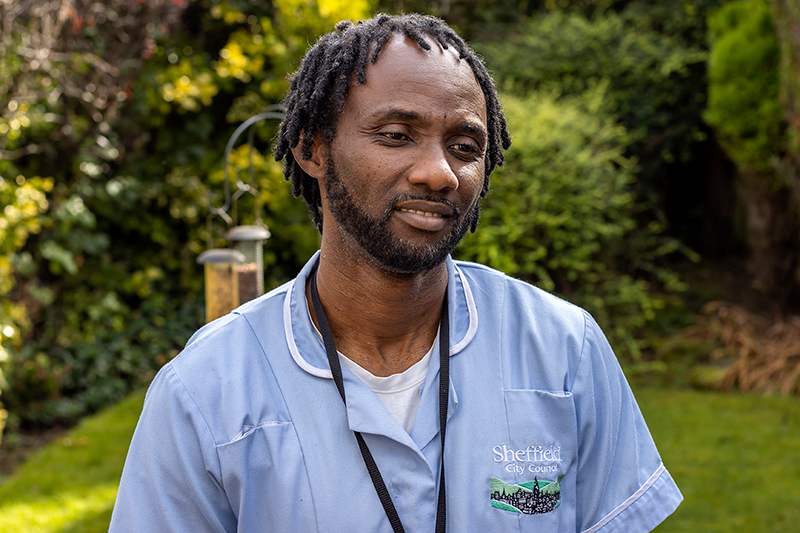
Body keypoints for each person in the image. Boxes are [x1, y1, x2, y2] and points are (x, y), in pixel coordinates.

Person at [110, 13, 682, 533]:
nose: (439, 173)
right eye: (396, 136)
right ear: (313, 148)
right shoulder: (206, 391)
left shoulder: (564, 350)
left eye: (463, 145)